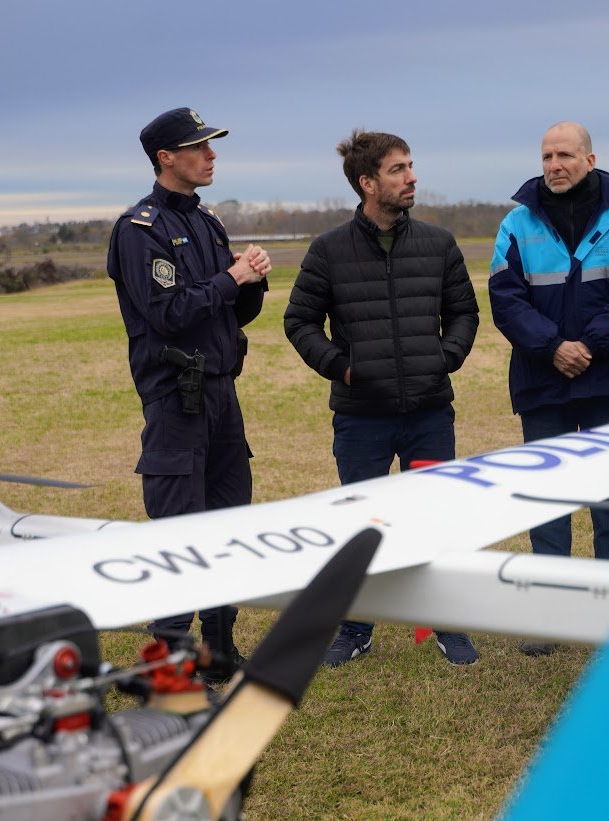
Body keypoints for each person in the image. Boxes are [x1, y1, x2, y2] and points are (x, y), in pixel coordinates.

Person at [284, 129, 480, 666]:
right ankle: (355, 629)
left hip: (429, 413)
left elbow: (464, 313)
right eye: (398, 169)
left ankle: (445, 624)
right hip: (361, 418)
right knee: (361, 528)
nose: (412, 177)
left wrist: (444, 357)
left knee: (435, 519)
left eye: (410, 166)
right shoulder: (328, 250)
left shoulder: (439, 244)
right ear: (368, 183)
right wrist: (342, 367)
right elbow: (299, 321)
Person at [107, 107, 271, 671]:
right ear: (166, 158)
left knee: (228, 521)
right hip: (177, 398)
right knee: (179, 532)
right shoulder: (140, 230)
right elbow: (169, 314)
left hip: (222, 393)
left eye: (210, 145)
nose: (211, 154)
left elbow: (231, 313)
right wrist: (230, 279)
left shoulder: (207, 221)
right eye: (199, 146)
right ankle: (173, 663)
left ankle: (220, 649)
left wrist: (252, 280)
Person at [488, 121, 609, 655]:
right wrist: (554, 346)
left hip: (606, 381)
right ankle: (549, 615)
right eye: (547, 157)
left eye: (565, 155)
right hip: (543, 380)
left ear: (590, 159)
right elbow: (505, 299)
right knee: (547, 502)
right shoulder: (517, 223)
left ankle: (606, 611)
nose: (554, 166)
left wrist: (590, 346)